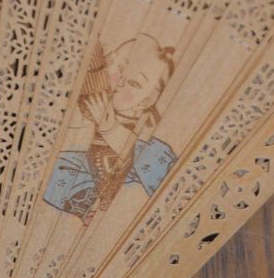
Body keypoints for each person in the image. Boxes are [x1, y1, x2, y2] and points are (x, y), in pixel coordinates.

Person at [45, 33, 177, 222]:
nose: (120, 81)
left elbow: (163, 184)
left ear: (147, 100)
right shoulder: (72, 152)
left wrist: (111, 127)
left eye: (134, 83)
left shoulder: (155, 152)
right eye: (119, 69)